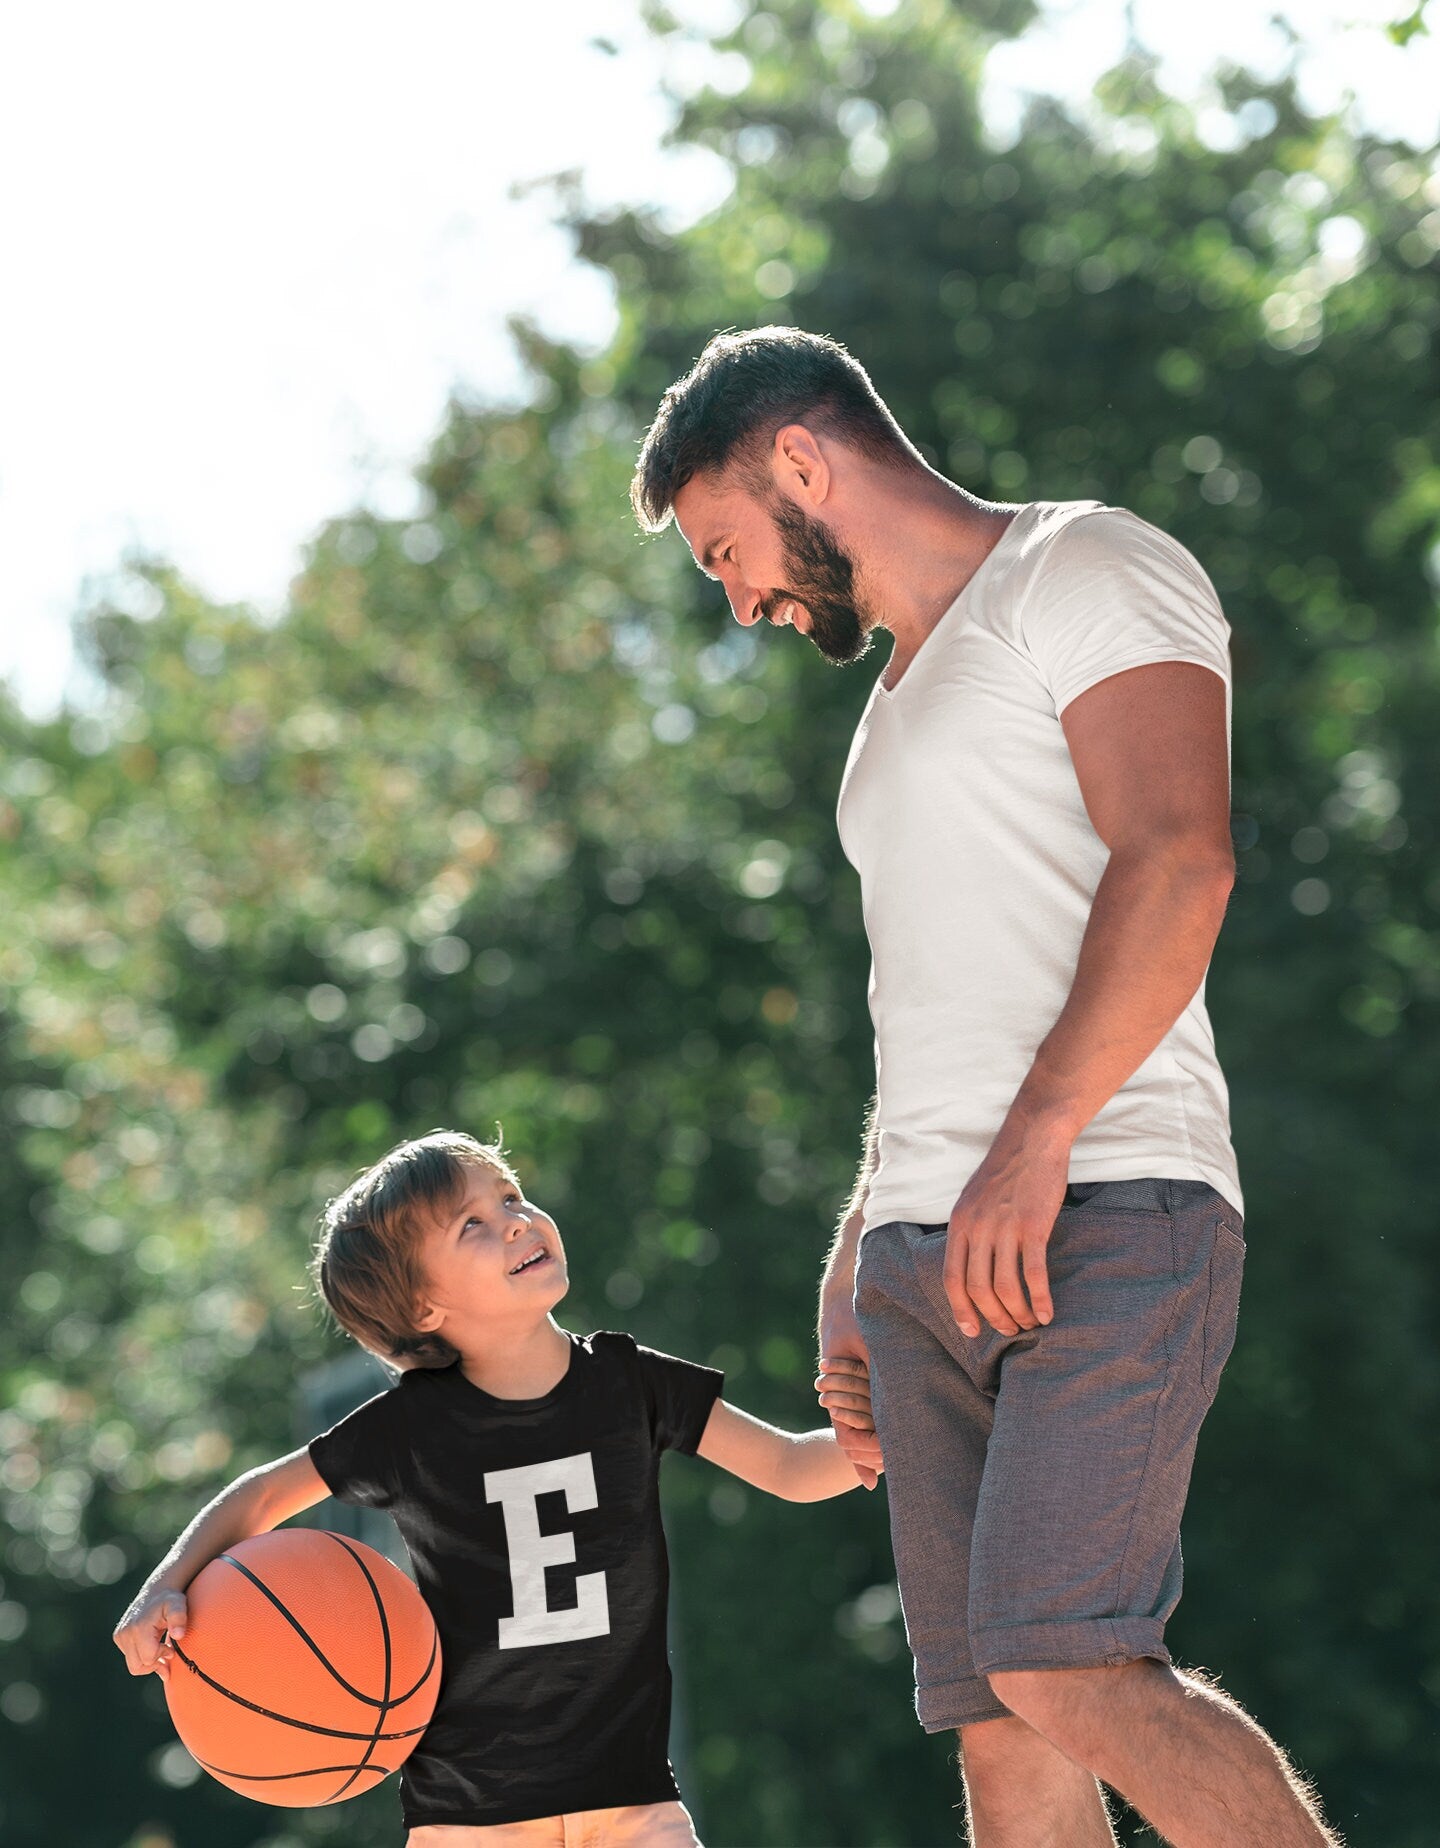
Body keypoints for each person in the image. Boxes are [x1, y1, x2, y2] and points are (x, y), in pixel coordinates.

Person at [633, 327, 1340, 1847]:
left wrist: (1037, 1145)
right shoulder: (886, 718)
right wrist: (858, 1250)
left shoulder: (1081, 568)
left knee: (1065, 1658)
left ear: (803, 462)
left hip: (1105, 1201)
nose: (742, 598)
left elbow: (1182, 857)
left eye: (725, 551)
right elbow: (935, 1012)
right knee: (1000, 1733)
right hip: (925, 1257)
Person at [113, 1128, 881, 1846]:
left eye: (510, 1198)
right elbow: (258, 1498)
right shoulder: (411, 1429)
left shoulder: (630, 1383)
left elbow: (787, 1466)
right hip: (469, 1814)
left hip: (634, 1801)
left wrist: (897, 1433)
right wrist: (164, 1587)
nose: (513, 1221)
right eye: (470, 1225)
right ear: (423, 1307)